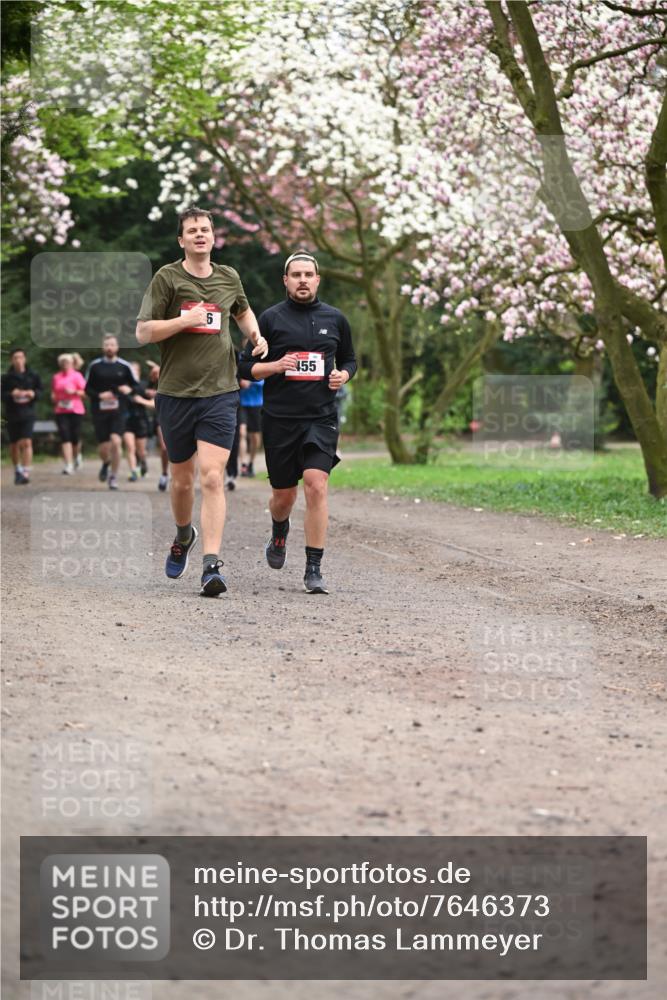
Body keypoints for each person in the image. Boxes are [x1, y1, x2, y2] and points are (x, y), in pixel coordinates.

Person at [135, 206, 267, 597]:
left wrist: (256, 337)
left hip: (221, 392)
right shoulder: (167, 278)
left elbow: (242, 312)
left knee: (211, 476)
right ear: (181, 240)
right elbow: (143, 331)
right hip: (175, 393)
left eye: (205, 229)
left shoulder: (229, 277)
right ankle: (182, 535)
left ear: (213, 237)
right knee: (181, 480)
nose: (199, 235)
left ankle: (212, 565)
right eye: (192, 230)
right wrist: (183, 321)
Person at [238, 249, 356, 594]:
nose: (303, 280)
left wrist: (343, 376)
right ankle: (279, 530)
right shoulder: (270, 320)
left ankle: (314, 567)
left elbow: (349, 359)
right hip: (280, 420)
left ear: (317, 280)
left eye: (308, 274)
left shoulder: (335, 319)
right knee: (284, 497)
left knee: (317, 485)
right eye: (296, 275)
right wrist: (276, 366)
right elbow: (245, 368)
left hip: (320, 418)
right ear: (286, 281)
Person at [85, 334, 138, 490]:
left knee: (116, 441)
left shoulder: (125, 366)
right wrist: (99, 395)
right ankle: (106, 462)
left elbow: (136, 386)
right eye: (106, 344)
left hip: (119, 410)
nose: (109, 347)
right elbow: (86, 388)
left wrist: (129, 389)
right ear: (103, 347)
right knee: (104, 447)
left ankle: (113, 476)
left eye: (112, 344)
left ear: (117, 347)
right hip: (99, 410)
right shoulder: (94, 366)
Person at [1, 347, 43, 484]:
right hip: (12, 414)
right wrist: (11, 394)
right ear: (12, 360)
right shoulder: (6, 378)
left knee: (27, 441)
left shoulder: (33, 375)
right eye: (15, 358)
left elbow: (41, 391)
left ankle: (25, 471)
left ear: (25, 359)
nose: (18, 360)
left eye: (20, 357)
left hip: (28, 413)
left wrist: (33, 394)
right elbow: (2, 395)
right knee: (14, 444)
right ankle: (17, 469)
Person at [51, 353, 86, 474]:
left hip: (76, 410)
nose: (65, 365)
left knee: (75, 437)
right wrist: (54, 398)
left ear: (72, 364)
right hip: (61, 410)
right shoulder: (56, 377)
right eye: (63, 363)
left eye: (67, 363)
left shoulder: (77, 376)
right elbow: (54, 392)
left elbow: (85, 393)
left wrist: (74, 391)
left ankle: (77, 456)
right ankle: (68, 465)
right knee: (65, 437)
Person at [125, 361, 154, 481]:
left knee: (141, 450)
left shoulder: (144, 385)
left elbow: (153, 403)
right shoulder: (123, 386)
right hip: (126, 420)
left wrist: (142, 400)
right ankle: (133, 472)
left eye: (134, 370)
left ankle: (143, 463)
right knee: (130, 447)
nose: (132, 372)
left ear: (138, 372)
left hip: (141, 420)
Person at [145, 361, 170, 491]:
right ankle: (164, 474)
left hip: (182, 414)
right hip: (163, 417)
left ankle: (186, 478)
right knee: (165, 448)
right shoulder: (154, 382)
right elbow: (144, 391)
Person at [239, 356, 264, 477]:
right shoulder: (241, 358)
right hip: (242, 403)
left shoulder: (263, 358)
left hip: (257, 404)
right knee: (241, 432)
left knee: (255, 436)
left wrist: (251, 381)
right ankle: (243, 464)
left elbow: (266, 377)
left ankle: (251, 463)